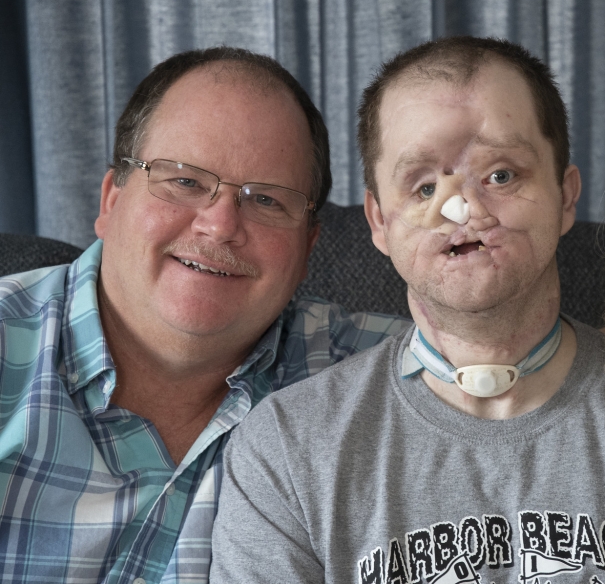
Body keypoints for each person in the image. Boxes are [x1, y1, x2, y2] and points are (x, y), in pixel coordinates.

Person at [210, 36, 605, 584]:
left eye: (501, 175)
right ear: (378, 221)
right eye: (424, 187)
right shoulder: (284, 450)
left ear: (566, 196)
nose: (463, 208)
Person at [0, 47, 408, 584]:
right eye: (185, 181)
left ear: (309, 245)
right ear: (111, 200)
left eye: (266, 200)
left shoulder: (376, 377)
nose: (220, 225)